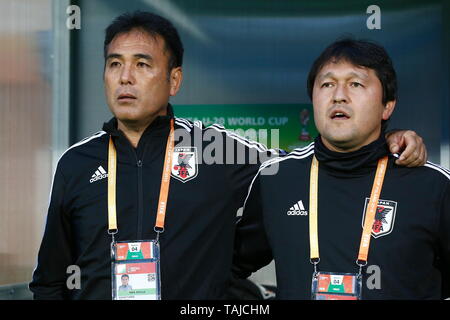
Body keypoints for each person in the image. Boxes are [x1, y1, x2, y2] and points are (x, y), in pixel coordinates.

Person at [29, 11, 427, 300]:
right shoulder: (76, 165)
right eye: (114, 64)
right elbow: (49, 281)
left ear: (174, 80)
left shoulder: (217, 150)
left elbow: (313, 162)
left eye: (142, 64)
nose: (125, 77)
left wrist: (389, 143)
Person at [232, 38, 450, 300]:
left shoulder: (432, 185)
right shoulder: (277, 179)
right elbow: (218, 269)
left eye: (355, 84)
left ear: (387, 105)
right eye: (327, 84)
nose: (338, 95)